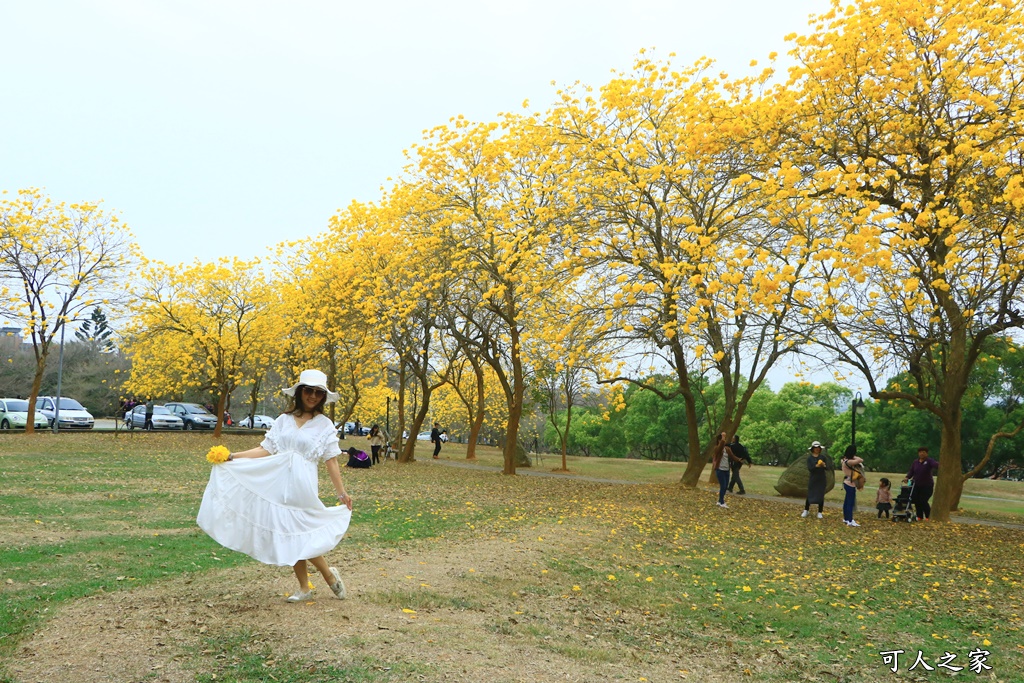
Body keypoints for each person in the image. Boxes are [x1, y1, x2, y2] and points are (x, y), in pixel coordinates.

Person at [197, 369, 352, 603]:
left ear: (322, 397)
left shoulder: (325, 425)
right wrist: (233, 456)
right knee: (289, 532)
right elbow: (266, 449)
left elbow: (331, 460)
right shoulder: (283, 420)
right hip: (277, 481)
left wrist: (341, 492)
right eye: (308, 391)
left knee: (301, 532)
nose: (312, 396)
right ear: (299, 392)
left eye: (318, 393)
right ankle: (304, 587)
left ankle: (329, 575)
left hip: (303, 483)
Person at [903, 447, 939, 521]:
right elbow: (911, 471)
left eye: (923, 452)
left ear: (926, 453)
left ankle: (928, 516)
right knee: (917, 500)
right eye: (920, 452)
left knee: (923, 500)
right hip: (916, 485)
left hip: (927, 485)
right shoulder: (915, 462)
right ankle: (919, 516)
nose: (921, 453)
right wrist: (907, 477)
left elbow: (936, 465)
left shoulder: (929, 461)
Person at [802, 441, 828, 519]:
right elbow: (810, 468)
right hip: (813, 478)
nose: (817, 449)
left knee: (821, 494)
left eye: (818, 448)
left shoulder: (823, 457)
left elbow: (828, 467)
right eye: (815, 448)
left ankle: (820, 512)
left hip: (821, 478)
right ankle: (806, 510)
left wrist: (823, 465)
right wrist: (816, 466)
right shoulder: (810, 458)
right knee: (810, 493)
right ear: (813, 449)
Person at [840, 445, 865, 527]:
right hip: (850, 483)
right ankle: (850, 520)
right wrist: (854, 456)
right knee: (850, 503)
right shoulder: (849, 462)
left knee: (847, 502)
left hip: (847, 482)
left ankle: (846, 518)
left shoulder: (844, 460)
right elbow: (861, 460)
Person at [712, 432, 733, 508]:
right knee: (723, 486)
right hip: (720, 470)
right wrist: (723, 437)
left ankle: (720, 501)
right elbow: (720, 446)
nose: (724, 441)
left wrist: (739, 460)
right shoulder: (716, 448)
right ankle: (722, 502)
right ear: (718, 441)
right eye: (722, 440)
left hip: (726, 470)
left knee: (725, 486)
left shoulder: (727, 449)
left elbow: (732, 456)